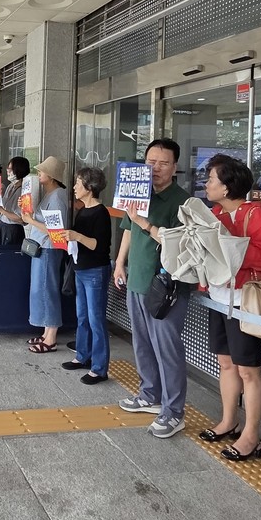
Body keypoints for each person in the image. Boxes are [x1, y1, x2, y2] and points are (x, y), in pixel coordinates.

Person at [197, 155, 261, 462]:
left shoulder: (254, 216)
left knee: (249, 370)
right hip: (219, 298)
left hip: (244, 302)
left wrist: (231, 246)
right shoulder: (215, 214)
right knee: (226, 364)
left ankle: (251, 435)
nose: (206, 184)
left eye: (211, 179)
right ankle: (229, 420)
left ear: (228, 186)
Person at [115, 138, 191, 439]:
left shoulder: (183, 202)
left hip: (167, 287)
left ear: (174, 167)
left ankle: (174, 413)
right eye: (150, 162)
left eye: (162, 163)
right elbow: (127, 231)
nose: (155, 168)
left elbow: (178, 244)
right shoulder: (137, 193)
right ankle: (149, 394)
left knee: (167, 349)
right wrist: (119, 263)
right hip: (137, 279)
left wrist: (144, 222)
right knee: (143, 344)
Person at [61, 166, 112, 383]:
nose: (74, 187)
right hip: (81, 268)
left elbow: (99, 246)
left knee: (96, 319)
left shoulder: (101, 213)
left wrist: (77, 237)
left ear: (89, 188)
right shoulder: (83, 210)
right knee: (82, 316)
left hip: (95, 271)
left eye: (78, 183)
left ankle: (99, 368)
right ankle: (83, 355)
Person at [19, 156, 71, 352]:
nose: (38, 173)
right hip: (43, 247)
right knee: (42, 290)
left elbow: (57, 230)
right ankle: (46, 333)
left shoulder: (57, 196)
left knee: (47, 290)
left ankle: (51, 338)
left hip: (49, 248)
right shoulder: (50, 194)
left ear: (51, 176)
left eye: (42, 171)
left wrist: (31, 221)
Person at [0, 156, 33, 248]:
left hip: (13, 229)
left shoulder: (24, 191)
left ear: (18, 170)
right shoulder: (10, 186)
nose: (8, 171)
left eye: (11, 169)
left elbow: (21, 218)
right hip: (3, 226)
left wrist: (2, 210)